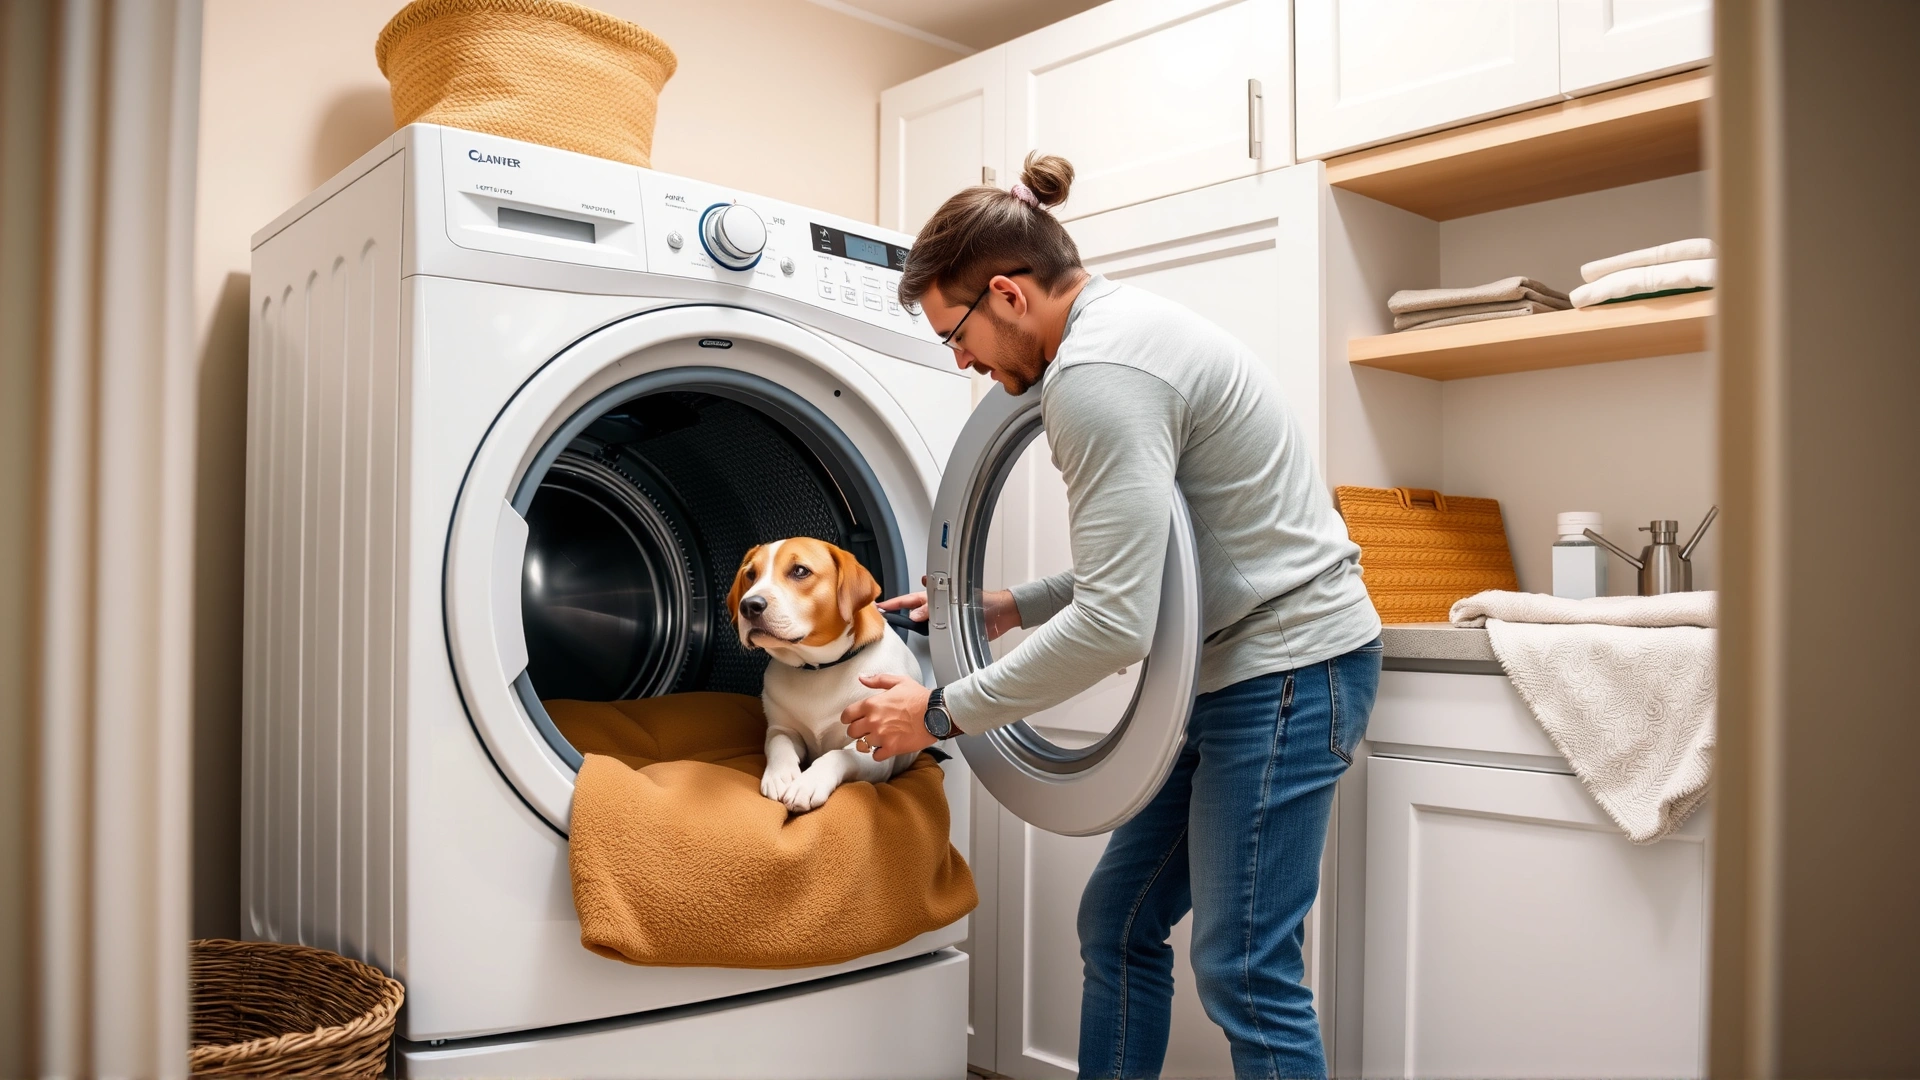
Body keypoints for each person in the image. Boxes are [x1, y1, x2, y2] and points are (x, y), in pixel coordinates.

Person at [840, 152, 1382, 1080]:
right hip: (1240, 663)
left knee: (1246, 969)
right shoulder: (1117, 331)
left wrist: (932, 713)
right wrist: (1004, 605)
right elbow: (1159, 560)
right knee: (1119, 921)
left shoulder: (1096, 375)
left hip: (1291, 668)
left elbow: (1116, 626)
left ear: (1007, 294)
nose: (962, 361)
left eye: (955, 334)